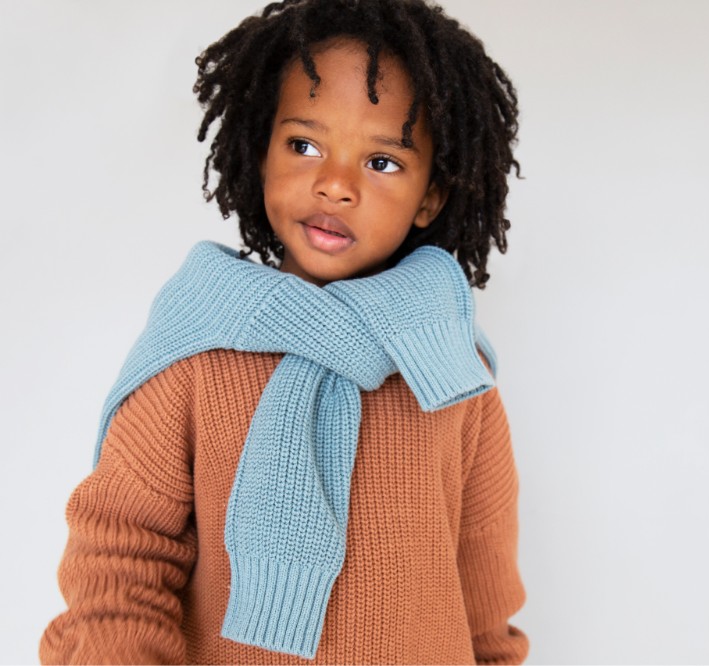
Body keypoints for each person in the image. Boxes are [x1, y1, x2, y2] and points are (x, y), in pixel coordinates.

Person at [39, 0, 527, 663]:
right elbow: (120, 564)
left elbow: (483, 598)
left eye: (382, 162)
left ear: (431, 199)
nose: (335, 185)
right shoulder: (198, 347)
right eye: (304, 145)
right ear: (258, 148)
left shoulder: (448, 366)